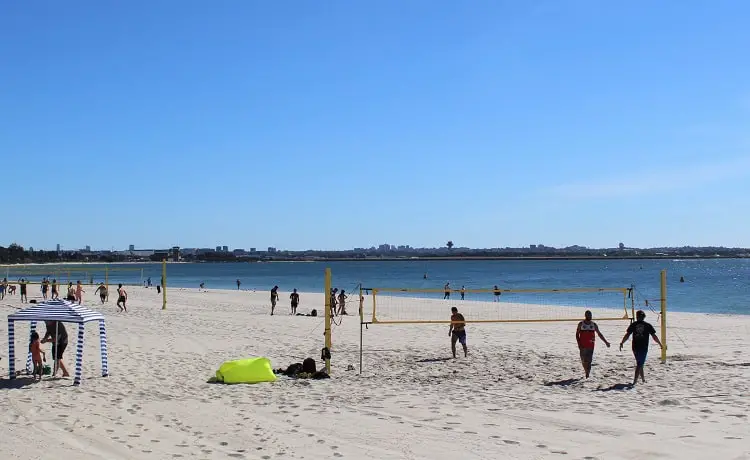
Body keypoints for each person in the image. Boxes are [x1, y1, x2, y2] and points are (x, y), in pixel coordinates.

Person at [620, 310, 663, 385]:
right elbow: (654, 337)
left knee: (640, 363)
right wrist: (660, 344)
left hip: (635, 347)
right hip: (642, 347)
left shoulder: (636, 324)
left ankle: (643, 379)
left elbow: (627, 335)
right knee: (640, 364)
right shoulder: (646, 325)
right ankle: (635, 381)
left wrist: (622, 342)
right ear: (644, 317)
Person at [576, 310, 610, 378]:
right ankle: (586, 371)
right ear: (585, 316)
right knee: (583, 360)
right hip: (582, 345)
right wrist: (579, 343)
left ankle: (587, 374)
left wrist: (606, 342)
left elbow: (599, 334)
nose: (590, 316)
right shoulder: (581, 324)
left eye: (591, 315)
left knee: (589, 361)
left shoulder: (593, 324)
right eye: (588, 315)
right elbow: (577, 334)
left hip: (590, 345)